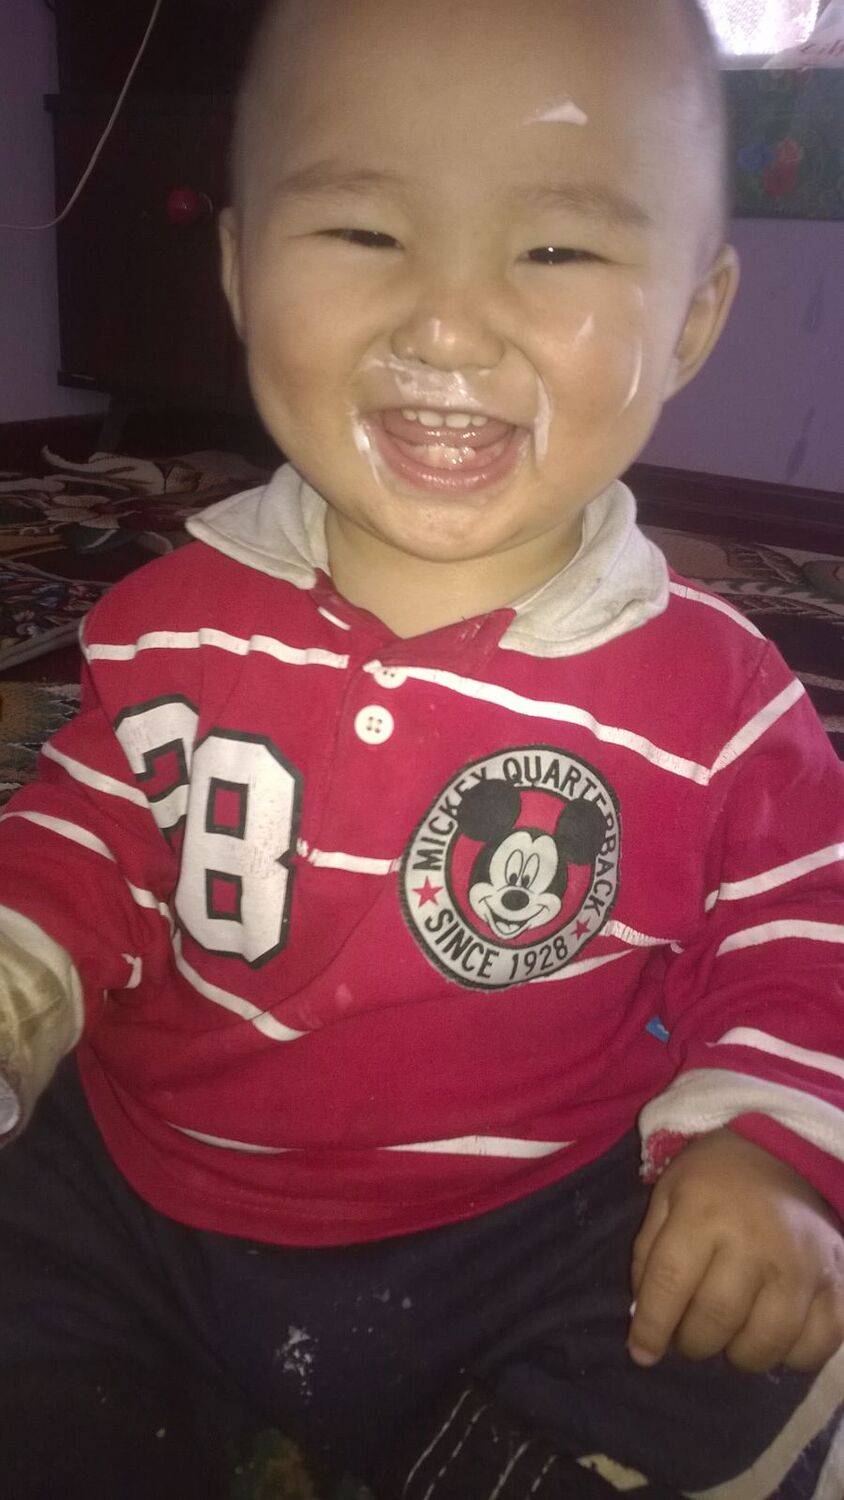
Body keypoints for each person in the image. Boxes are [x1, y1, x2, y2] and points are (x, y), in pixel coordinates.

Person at [0, 1, 841, 1495]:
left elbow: (805, 930)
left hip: (524, 1225)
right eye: (365, 235)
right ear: (240, 269)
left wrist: (768, 1147)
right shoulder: (169, 620)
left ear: (693, 320)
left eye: (556, 250)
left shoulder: (724, 702)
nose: (445, 326)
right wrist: (20, 973)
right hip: (145, 1185)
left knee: (737, 1325)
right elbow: (89, 830)